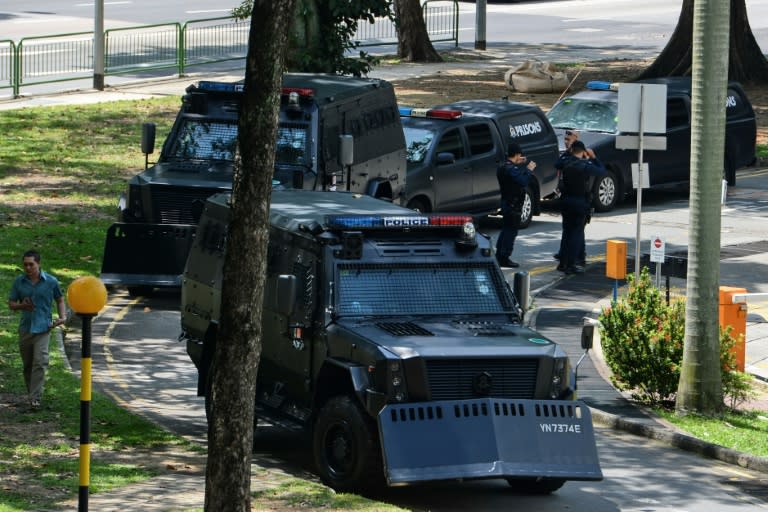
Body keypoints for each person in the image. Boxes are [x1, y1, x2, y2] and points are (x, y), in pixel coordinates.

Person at [7, 250, 67, 408]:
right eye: (25, 264)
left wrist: (62, 317)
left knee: (40, 362)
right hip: (26, 328)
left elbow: (60, 299)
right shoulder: (19, 282)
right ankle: (31, 393)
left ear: (38, 264)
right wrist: (22, 306)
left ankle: (35, 398)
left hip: (43, 328)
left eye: (31, 264)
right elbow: (11, 304)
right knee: (28, 364)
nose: (28, 267)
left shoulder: (51, 281)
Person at [555, 141, 606, 274]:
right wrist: (593, 157)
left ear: (572, 150)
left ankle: (562, 263)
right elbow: (601, 171)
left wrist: (568, 152)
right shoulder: (585, 166)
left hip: (566, 201)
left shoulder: (565, 162)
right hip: (579, 202)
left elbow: (557, 163)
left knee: (566, 233)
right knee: (576, 234)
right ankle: (571, 264)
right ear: (583, 152)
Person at [496, 143, 535, 268]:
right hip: (513, 205)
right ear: (517, 154)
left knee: (505, 230)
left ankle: (499, 254)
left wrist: (518, 164)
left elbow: (515, 175)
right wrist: (529, 169)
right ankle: (505, 256)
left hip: (506, 202)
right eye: (519, 155)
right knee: (510, 232)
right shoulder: (511, 169)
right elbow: (522, 181)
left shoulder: (503, 167)